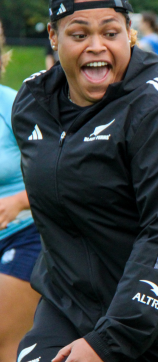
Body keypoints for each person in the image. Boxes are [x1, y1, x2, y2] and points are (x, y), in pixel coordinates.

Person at [12, 0, 158, 362]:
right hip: (70, 309)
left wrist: (108, 342)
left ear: (129, 33)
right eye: (79, 34)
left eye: (110, 33)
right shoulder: (32, 104)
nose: (96, 46)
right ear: (53, 36)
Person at [0, 41, 41, 362]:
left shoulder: (14, 106)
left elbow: (58, 177)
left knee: (5, 337)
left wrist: (18, 201)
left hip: (23, 235)